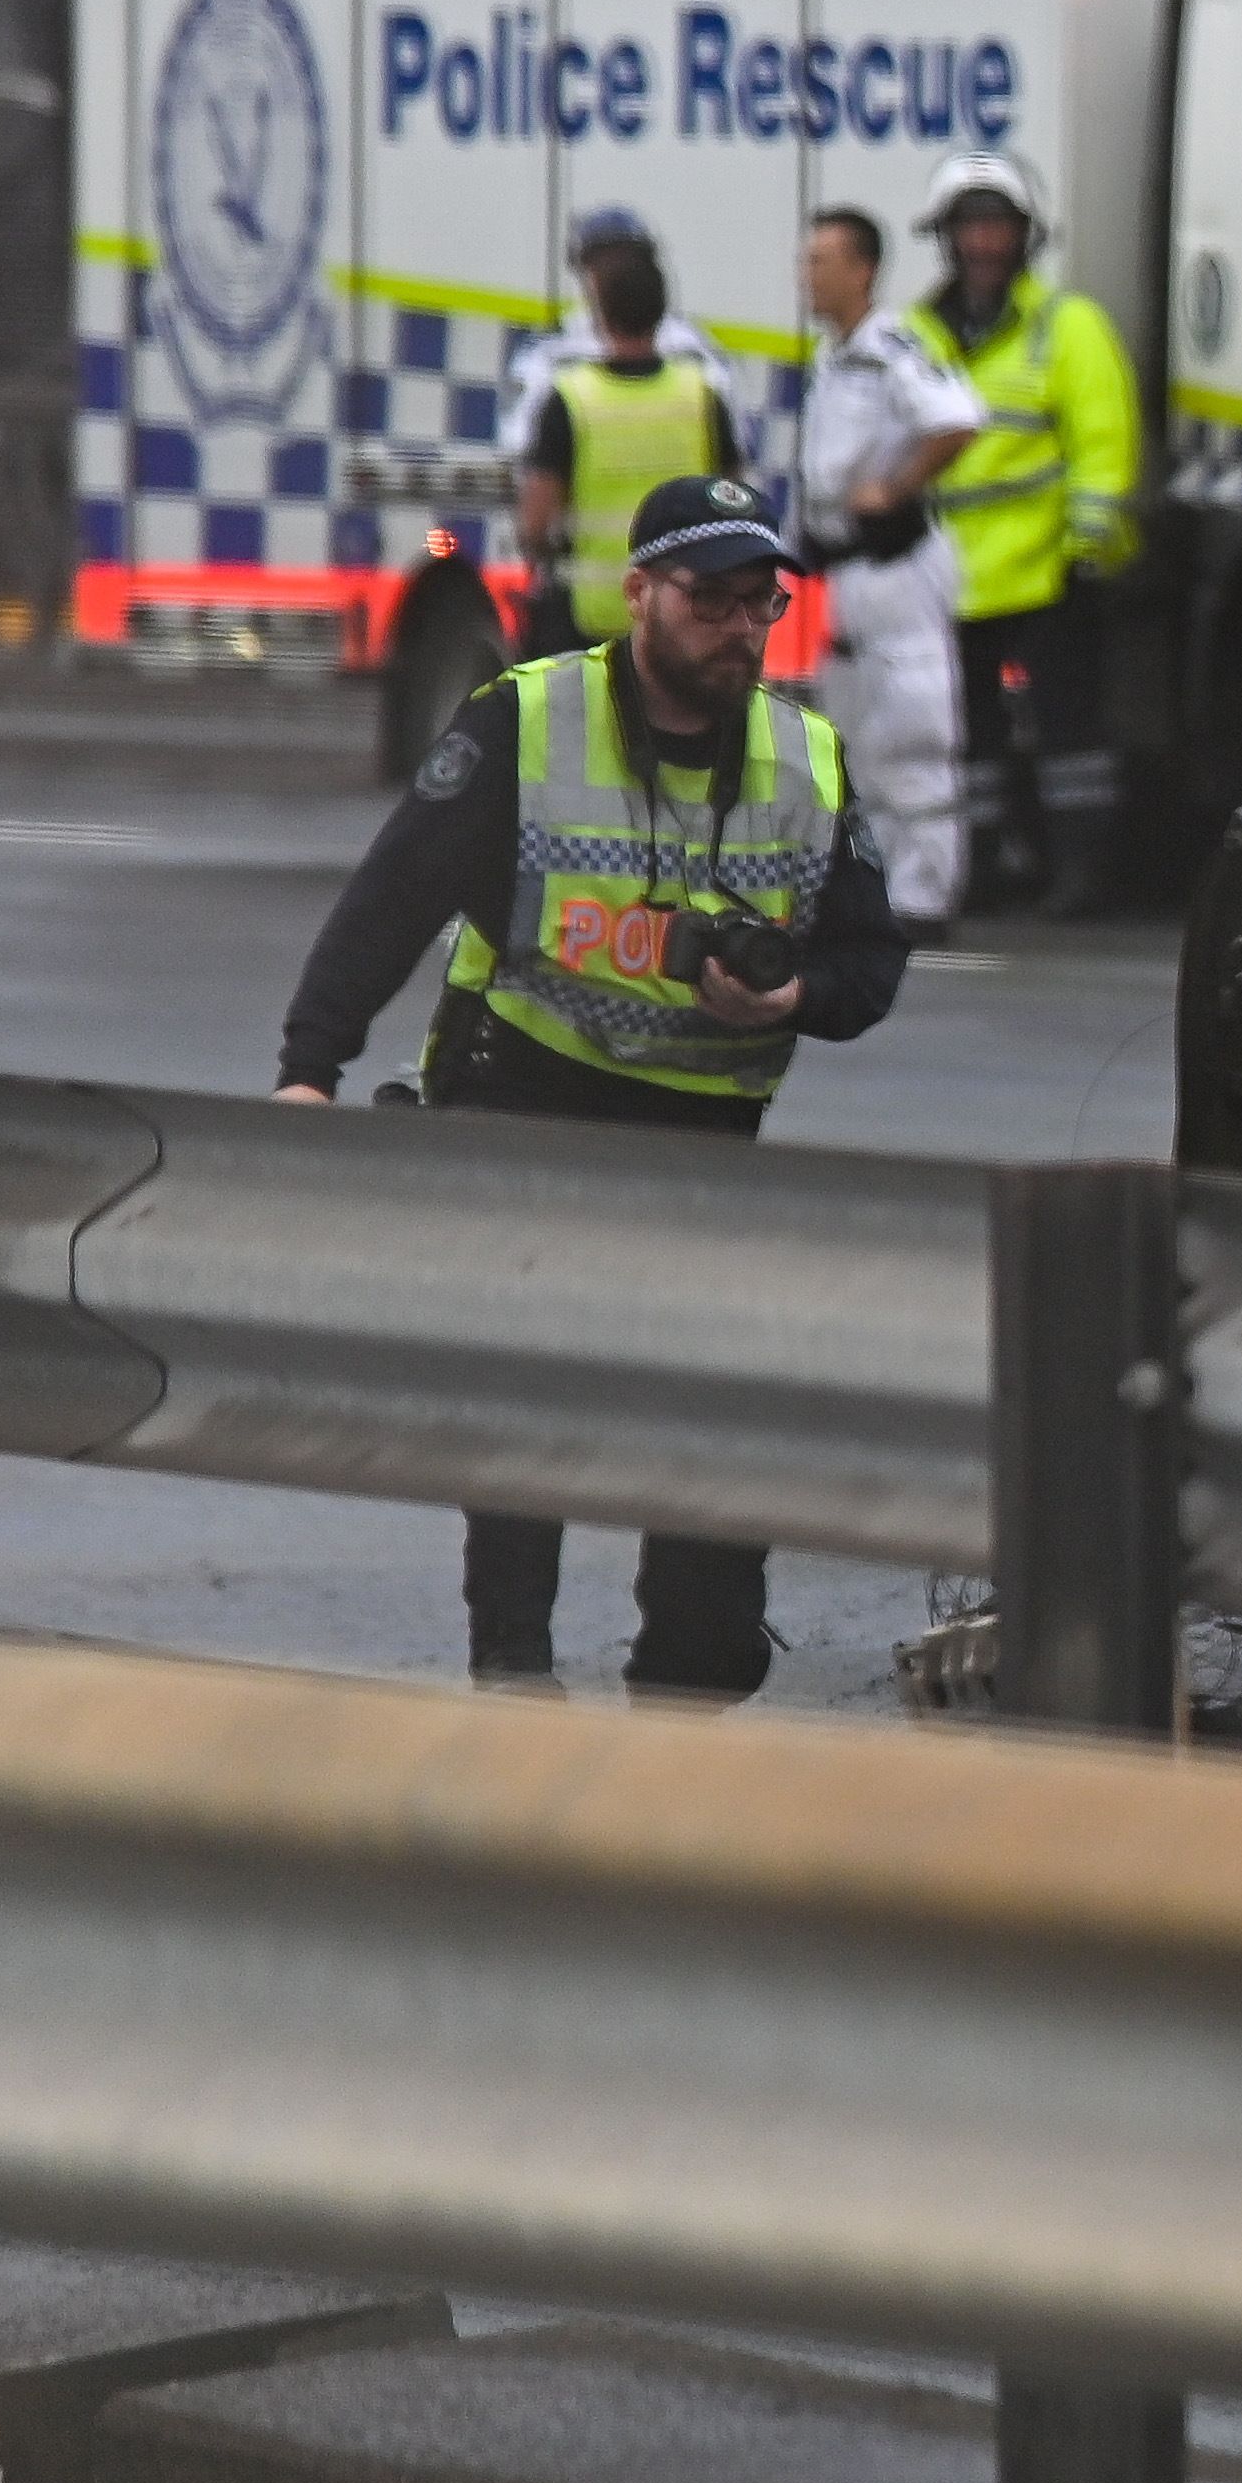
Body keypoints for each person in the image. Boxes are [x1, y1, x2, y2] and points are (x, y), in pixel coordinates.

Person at [272, 475, 912, 1692]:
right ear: (638, 594)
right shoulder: (525, 720)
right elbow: (389, 902)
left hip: (700, 1129)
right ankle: (513, 1664)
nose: (737, 627)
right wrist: (311, 1070)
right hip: (526, 1091)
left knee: (710, 1418)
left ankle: (691, 1675)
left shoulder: (804, 756)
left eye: (757, 604)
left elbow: (872, 965)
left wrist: (792, 1000)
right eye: (709, 599)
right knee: (534, 1393)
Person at [908, 152, 1138, 910]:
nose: (983, 244)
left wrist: (1089, 545)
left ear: (1025, 236)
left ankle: (1080, 875)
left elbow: (1103, 441)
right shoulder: (914, 334)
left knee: (1071, 740)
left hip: (1047, 570)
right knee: (966, 743)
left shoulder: (1067, 326)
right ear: (947, 237)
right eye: (970, 227)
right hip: (949, 576)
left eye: (997, 227)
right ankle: (975, 872)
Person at [799, 205, 984, 938]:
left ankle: (925, 897)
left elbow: (958, 418)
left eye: (821, 261)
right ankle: (868, 884)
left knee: (912, 733)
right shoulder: (834, 358)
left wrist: (895, 486)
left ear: (862, 270)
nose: (807, 276)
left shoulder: (890, 348)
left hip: (896, 568)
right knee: (850, 736)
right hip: (844, 574)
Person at [508, 212, 737, 659]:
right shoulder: (700, 381)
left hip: (589, 618)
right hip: (685, 613)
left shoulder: (567, 386)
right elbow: (733, 495)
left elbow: (535, 517)